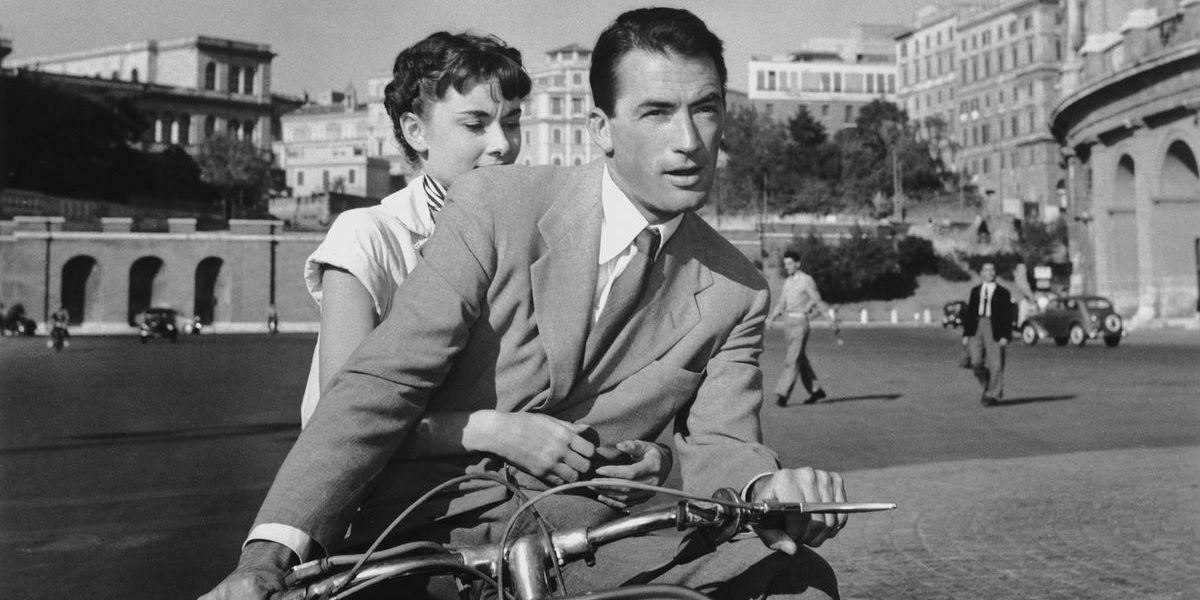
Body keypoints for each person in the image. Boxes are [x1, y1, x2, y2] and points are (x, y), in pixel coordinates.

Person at [202, 9, 847, 600]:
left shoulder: (739, 287)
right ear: (602, 129)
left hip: (601, 546)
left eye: (705, 110)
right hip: (432, 533)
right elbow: (379, 384)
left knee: (800, 583)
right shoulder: (495, 205)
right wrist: (268, 554)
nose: (689, 140)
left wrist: (768, 488)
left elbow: (724, 442)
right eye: (656, 113)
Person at [299, 31, 669, 502]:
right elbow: (338, 423)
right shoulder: (368, 235)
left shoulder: (537, 233)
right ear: (416, 132)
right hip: (375, 523)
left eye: (511, 123)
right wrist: (495, 431)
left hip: (499, 513)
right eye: (475, 124)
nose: (502, 145)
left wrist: (635, 453)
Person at [769, 250, 835, 406]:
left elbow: (817, 300)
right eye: (785, 264)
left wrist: (830, 320)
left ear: (798, 263)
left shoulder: (807, 280)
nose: (787, 267)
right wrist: (772, 317)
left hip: (800, 324)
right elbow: (781, 303)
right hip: (788, 324)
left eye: (790, 263)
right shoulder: (788, 282)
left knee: (792, 359)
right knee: (799, 358)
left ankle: (782, 394)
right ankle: (816, 390)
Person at [961, 262, 1013, 406]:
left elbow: (1008, 316)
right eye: (986, 270)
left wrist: (1005, 336)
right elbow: (970, 313)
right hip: (976, 327)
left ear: (995, 273)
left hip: (994, 328)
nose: (989, 273)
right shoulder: (975, 291)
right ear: (981, 273)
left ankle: (991, 395)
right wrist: (966, 335)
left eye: (992, 270)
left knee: (995, 363)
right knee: (975, 362)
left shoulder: (1003, 292)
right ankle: (987, 382)